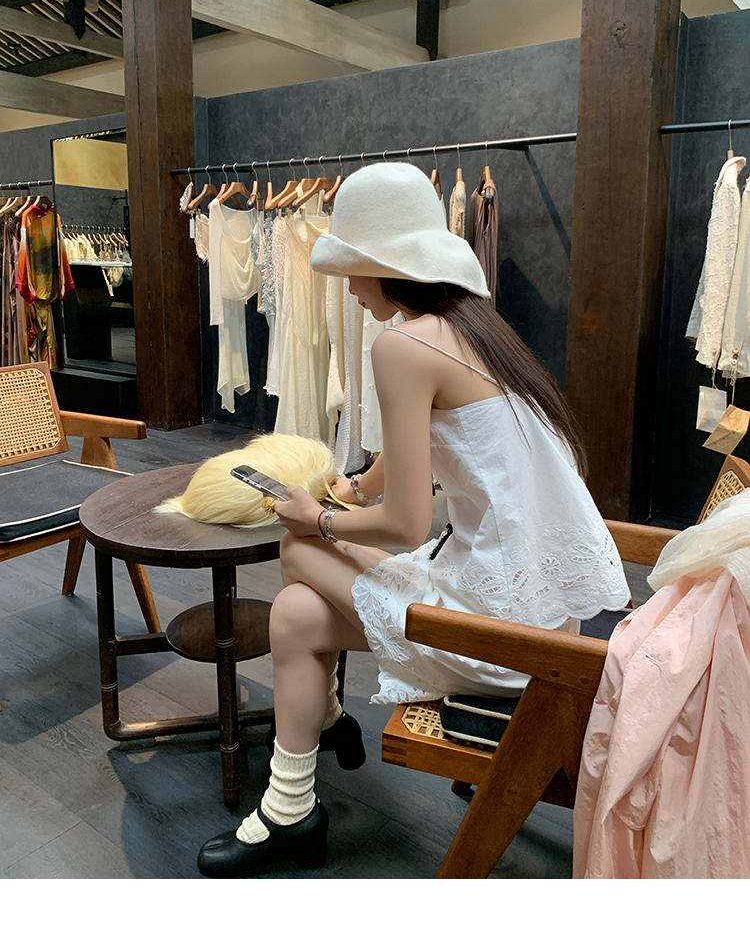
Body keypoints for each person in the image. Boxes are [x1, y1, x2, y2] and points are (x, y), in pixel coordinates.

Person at [197, 162, 630, 878]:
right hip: (549, 616)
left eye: (350, 269)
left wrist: (320, 518)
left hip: (501, 637)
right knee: (297, 616)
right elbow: (439, 448)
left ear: (379, 265)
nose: (347, 287)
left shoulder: (399, 345)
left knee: (297, 554)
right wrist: (356, 486)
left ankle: (319, 741)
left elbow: (406, 524)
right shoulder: (474, 330)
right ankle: (292, 801)